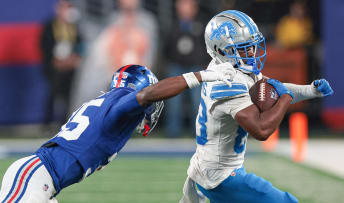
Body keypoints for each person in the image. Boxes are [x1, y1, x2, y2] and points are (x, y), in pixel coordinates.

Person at [0, 64, 235, 203]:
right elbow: (145, 96)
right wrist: (199, 76)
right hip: (33, 178)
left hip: (42, 180)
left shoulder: (108, 105)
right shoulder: (120, 105)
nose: (152, 107)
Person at [180, 10, 334, 203]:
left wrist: (311, 90)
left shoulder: (232, 67)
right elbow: (261, 130)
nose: (252, 52)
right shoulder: (227, 82)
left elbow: (273, 91)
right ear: (221, 50)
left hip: (216, 170)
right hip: (221, 177)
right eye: (244, 48)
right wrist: (286, 98)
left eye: (252, 45)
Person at [164, 0, 210, 137]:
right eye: (181, 5)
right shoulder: (172, 25)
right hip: (176, 67)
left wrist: (204, 63)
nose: (184, 9)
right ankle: (172, 132)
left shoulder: (201, 26)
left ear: (194, 8)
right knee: (173, 101)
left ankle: (198, 131)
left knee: (198, 100)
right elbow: (166, 47)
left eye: (188, 5)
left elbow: (206, 47)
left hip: (196, 68)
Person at [40, 0, 83, 126]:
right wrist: (54, 61)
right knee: (53, 95)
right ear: (58, 9)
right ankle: (47, 123)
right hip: (55, 68)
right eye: (64, 7)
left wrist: (75, 58)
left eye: (69, 7)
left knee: (69, 95)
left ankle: (65, 122)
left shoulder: (74, 26)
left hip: (70, 67)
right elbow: (44, 46)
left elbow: (79, 44)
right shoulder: (50, 26)